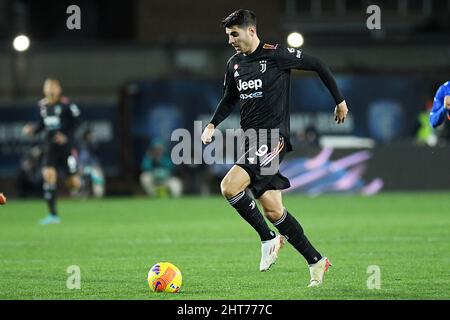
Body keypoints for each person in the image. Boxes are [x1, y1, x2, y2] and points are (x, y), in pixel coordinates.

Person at [201, 9, 348, 287]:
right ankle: (316, 260)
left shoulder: (276, 54)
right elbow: (229, 99)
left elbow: (317, 64)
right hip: (250, 141)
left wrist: (339, 101)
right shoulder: (234, 64)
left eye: (235, 34)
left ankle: (268, 239)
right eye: (228, 35)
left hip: (272, 138)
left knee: (229, 187)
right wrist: (212, 124)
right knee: (273, 210)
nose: (231, 39)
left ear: (251, 31)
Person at [23, 78, 81, 225]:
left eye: (54, 87)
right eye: (48, 86)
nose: (51, 89)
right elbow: (43, 124)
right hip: (50, 148)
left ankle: (81, 181)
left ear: (59, 89)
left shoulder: (68, 105)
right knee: (48, 176)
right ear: (44, 89)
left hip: (66, 149)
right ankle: (53, 215)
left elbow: (77, 123)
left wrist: (66, 136)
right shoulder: (43, 106)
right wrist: (33, 130)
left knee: (73, 183)